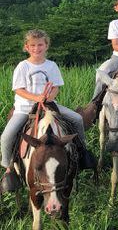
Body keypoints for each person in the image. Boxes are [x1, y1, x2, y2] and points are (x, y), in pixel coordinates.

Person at [1, 29, 95, 192]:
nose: (36, 48)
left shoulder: (51, 65)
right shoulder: (22, 66)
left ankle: (82, 153)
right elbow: (19, 90)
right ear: (27, 47)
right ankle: (8, 167)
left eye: (40, 45)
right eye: (33, 45)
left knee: (77, 119)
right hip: (25, 108)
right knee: (6, 135)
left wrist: (49, 97)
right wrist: (37, 98)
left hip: (50, 106)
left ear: (46, 46)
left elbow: (56, 86)